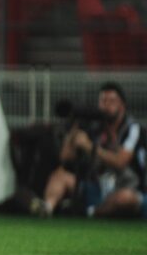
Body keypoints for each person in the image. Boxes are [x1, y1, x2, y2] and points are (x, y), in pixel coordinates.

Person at [39, 83, 145, 218]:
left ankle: (93, 212)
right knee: (60, 175)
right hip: (98, 188)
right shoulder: (94, 127)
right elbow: (65, 157)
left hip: (126, 189)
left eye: (112, 101)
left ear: (122, 106)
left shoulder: (132, 129)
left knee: (125, 198)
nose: (106, 105)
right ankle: (47, 208)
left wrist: (90, 147)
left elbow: (120, 161)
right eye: (103, 101)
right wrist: (75, 126)